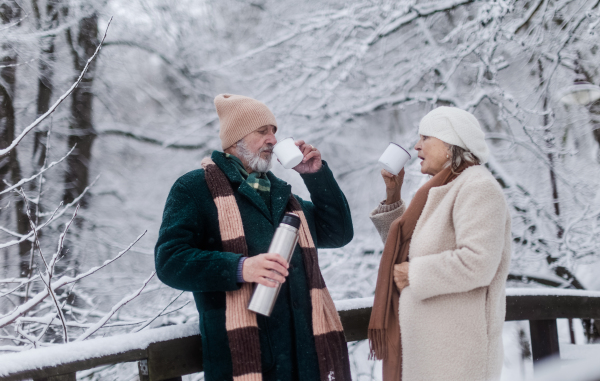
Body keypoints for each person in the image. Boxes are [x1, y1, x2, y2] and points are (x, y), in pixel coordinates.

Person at [155, 94, 353, 381]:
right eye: (262, 131)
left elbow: (338, 232)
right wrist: (240, 268)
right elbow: (170, 262)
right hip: (246, 361)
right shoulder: (194, 189)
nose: (273, 139)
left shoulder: (283, 196)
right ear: (236, 140)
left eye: (274, 131)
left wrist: (316, 176)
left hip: (306, 361)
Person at [368, 106, 512, 381]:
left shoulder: (478, 187)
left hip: (457, 352)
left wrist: (414, 273)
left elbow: (478, 263)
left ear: (450, 144)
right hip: (432, 347)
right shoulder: (440, 189)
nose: (416, 146)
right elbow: (402, 250)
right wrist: (393, 194)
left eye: (425, 138)